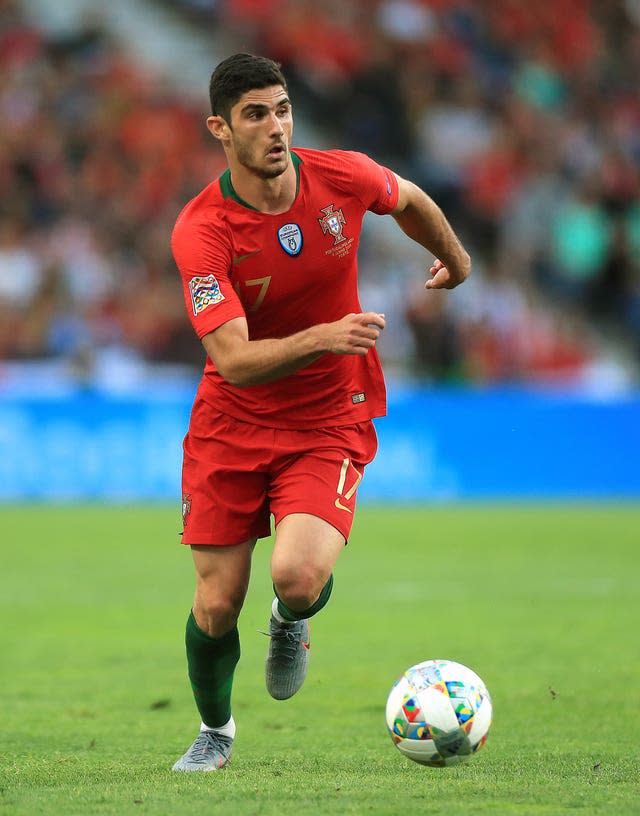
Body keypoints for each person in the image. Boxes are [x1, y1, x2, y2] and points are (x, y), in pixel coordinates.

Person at [170, 52, 470, 772]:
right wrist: (325, 337)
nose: (275, 127)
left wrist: (456, 261)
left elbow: (410, 200)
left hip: (329, 417)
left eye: (282, 109)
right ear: (220, 128)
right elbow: (235, 360)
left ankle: (291, 622)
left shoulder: (340, 176)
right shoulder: (202, 230)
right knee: (215, 604)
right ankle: (216, 731)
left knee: (296, 577)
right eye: (254, 114)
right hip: (230, 423)